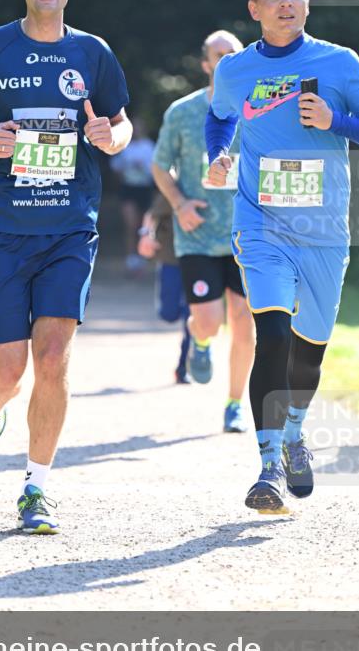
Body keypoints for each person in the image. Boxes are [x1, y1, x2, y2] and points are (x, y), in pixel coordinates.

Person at [0, 0, 131, 535]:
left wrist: (109, 139)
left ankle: (35, 489)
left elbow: (120, 125)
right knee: (8, 372)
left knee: (52, 359)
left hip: (69, 225)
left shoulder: (94, 54)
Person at [206, 0, 359, 511]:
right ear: (254, 8)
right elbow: (221, 116)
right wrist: (219, 152)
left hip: (323, 230)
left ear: (307, 2)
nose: (286, 4)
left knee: (308, 354)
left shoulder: (339, 63)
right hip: (259, 222)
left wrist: (334, 121)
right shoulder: (236, 69)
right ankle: (266, 468)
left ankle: (293, 435)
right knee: (273, 334)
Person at [152, 31, 256, 432]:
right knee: (210, 321)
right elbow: (161, 166)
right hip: (196, 234)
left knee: (244, 317)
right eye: (219, 55)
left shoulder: (259, 109)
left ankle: (234, 403)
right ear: (206, 64)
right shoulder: (182, 112)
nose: (227, 60)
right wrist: (179, 204)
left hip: (246, 234)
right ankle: (200, 340)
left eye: (234, 54)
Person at [137, 192, 192, 384]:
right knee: (168, 314)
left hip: (199, 259)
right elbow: (151, 214)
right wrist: (145, 235)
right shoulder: (174, 187)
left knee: (191, 317)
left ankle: (183, 367)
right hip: (170, 259)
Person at [110, 120, 156, 274]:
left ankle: (142, 257)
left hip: (144, 189)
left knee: (143, 226)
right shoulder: (125, 145)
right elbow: (116, 167)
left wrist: (143, 168)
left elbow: (156, 170)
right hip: (128, 189)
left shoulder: (149, 146)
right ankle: (131, 258)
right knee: (130, 224)